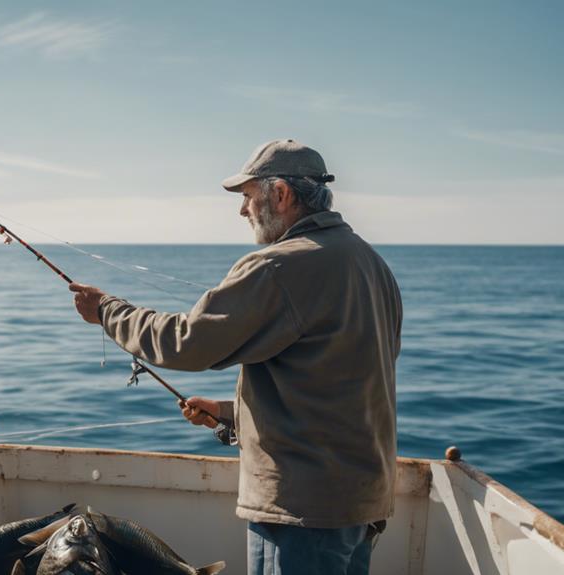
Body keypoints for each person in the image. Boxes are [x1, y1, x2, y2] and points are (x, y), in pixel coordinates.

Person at [70, 139, 402, 575]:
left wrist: (108, 312)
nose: (242, 211)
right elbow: (337, 385)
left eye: (247, 196)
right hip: (362, 503)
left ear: (280, 194)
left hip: (303, 511)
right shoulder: (372, 266)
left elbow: (186, 342)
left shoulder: (280, 265)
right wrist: (232, 413)